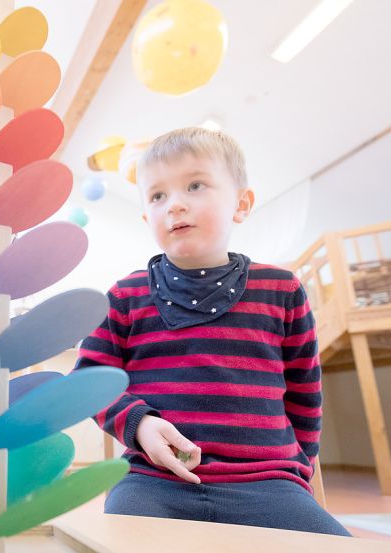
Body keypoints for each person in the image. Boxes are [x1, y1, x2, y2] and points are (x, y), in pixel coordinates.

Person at [75, 127, 349, 535]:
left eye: (195, 185)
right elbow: (88, 382)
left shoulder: (282, 289)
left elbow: (305, 393)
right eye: (157, 196)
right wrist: (139, 424)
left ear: (242, 204)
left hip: (270, 483)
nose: (175, 205)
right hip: (154, 482)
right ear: (146, 216)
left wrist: (301, 469)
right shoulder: (124, 296)